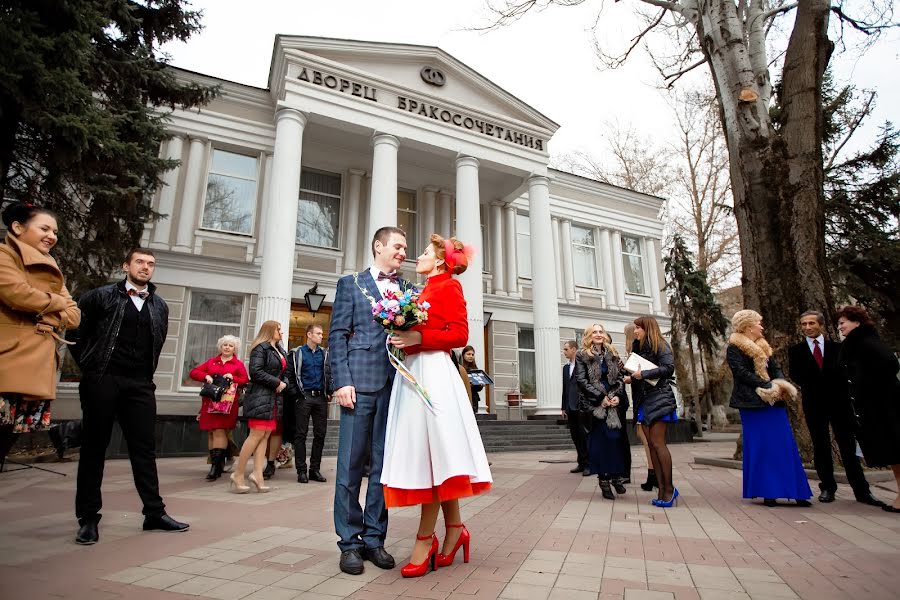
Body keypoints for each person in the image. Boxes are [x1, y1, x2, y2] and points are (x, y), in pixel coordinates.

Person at [382, 234, 492, 578]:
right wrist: (399, 335)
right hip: (415, 373)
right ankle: (456, 530)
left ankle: (426, 538)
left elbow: (460, 335)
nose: (419, 255)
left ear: (442, 261)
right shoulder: (421, 290)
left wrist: (418, 337)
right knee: (436, 455)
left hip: (435, 376)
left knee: (433, 455)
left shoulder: (450, 287)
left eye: (427, 252)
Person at [70, 248, 189, 545]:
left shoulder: (160, 305)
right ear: (126, 266)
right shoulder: (101, 296)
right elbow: (74, 332)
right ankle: (88, 519)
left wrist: (145, 378)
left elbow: (157, 343)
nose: (146, 267)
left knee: (145, 450)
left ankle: (154, 513)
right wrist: (89, 365)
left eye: (151, 264)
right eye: (140, 262)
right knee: (95, 448)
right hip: (102, 380)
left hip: (140, 384)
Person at [329, 226, 407, 575]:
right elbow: (338, 335)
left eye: (405, 248)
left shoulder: (408, 290)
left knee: (382, 469)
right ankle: (349, 542)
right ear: (378, 246)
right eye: (397, 246)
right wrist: (342, 381)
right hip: (358, 386)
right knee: (349, 467)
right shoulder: (351, 284)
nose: (403, 252)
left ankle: (375, 538)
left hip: (395, 387)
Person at [0, 202, 80, 466]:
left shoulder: (51, 265)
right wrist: (54, 303)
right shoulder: (4, 254)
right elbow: (16, 294)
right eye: (44, 228)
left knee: (6, 440)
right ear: (18, 227)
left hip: (36, 368)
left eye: (55, 231)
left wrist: (42, 306)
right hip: (8, 359)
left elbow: (74, 316)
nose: (52, 236)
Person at [788, 311, 881, 506]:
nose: (807, 327)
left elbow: (848, 371)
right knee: (820, 446)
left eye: (811, 323)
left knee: (847, 446)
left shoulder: (838, 348)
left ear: (820, 325)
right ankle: (828, 488)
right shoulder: (796, 351)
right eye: (803, 324)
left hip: (840, 403)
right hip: (814, 404)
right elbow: (796, 375)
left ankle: (862, 491)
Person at [727, 309, 812, 507]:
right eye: (759, 323)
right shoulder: (734, 348)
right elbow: (740, 373)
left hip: (773, 401)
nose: (762, 326)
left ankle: (796, 491)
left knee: (784, 445)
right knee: (761, 447)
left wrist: (779, 384)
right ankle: (768, 491)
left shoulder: (763, 346)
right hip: (751, 403)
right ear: (748, 327)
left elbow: (775, 369)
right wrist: (767, 387)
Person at [835, 306, 900, 513]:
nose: (840, 326)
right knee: (893, 455)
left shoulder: (866, 343)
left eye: (843, 322)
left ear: (857, 322)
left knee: (896, 451)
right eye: (839, 323)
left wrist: (868, 386)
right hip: (874, 408)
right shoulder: (853, 344)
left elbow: (890, 363)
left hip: (886, 408)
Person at [231, 320, 288, 494]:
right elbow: (255, 372)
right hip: (260, 397)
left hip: (273, 398)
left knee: (265, 435)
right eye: (279, 329)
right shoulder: (261, 348)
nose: (281, 332)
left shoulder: (279, 350)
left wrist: (283, 383)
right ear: (270, 330)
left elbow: (286, 372)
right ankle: (238, 474)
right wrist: (277, 382)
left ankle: (258, 475)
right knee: (256, 435)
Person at [630, 316, 679, 507]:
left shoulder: (661, 345)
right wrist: (632, 377)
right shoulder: (640, 347)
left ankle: (669, 490)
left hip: (660, 399)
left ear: (646, 328)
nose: (635, 331)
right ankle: (661, 489)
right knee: (651, 446)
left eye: (638, 328)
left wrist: (644, 374)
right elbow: (640, 372)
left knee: (658, 444)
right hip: (646, 399)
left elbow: (668, 369)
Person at [574, 323, 627, 499]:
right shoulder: (582, 355)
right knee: (602, 443)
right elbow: (581, 381)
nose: (598, 334)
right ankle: (604, 480)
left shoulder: (613, 353)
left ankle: (616, 476)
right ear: (588, 336)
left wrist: (618, 396)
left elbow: (620, 378)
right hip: (594, 406)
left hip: (613, 404)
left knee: (616, 440)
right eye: (594, 332)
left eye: (601, 331)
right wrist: (600, 398)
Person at [189, 335, 249, 481]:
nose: (227, 347)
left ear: (235, 349)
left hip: (227, 404)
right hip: (210, 402)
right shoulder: (212, 362)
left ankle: (215, 467)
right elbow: (194, 372)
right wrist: (205, 376)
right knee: (211, 432)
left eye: (230, 345)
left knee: (219, 431)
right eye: (225, 345)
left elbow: (245, 381)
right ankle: (217, 464)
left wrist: (233, 378)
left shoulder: (238, 364)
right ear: (220, 347)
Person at [285, 323, 331, 484]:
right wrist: (297, 395)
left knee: (320, 434)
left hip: (321, 399)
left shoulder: (324, 354)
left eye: (321, 333)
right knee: (301, 435)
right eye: (318, 333)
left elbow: (329, 373)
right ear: (309, 335)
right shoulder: (297, 353)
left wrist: (329, 391)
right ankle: (301, 471)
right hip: (304, 398)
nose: (321, 336)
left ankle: (314, 470)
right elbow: (289, 376)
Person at [560, 340, 589, 475]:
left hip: (581, 406)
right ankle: (581, 463)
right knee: (575, 436)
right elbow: (565, 388)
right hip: (569, 407)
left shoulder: (582, 365)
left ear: (573, 349)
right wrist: (563, 407)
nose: (564, 351)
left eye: (566, 349)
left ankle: (589, 464)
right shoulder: (566, 368)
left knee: (584, 436)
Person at [459, 346, 483, 412]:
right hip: (462, 397)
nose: (471, 356)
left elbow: (478, 388)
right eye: (468, 354)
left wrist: (480, 385)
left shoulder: (475, 369)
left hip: (473, 398)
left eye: (472, 354)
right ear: (463, 355)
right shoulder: (459, 368)